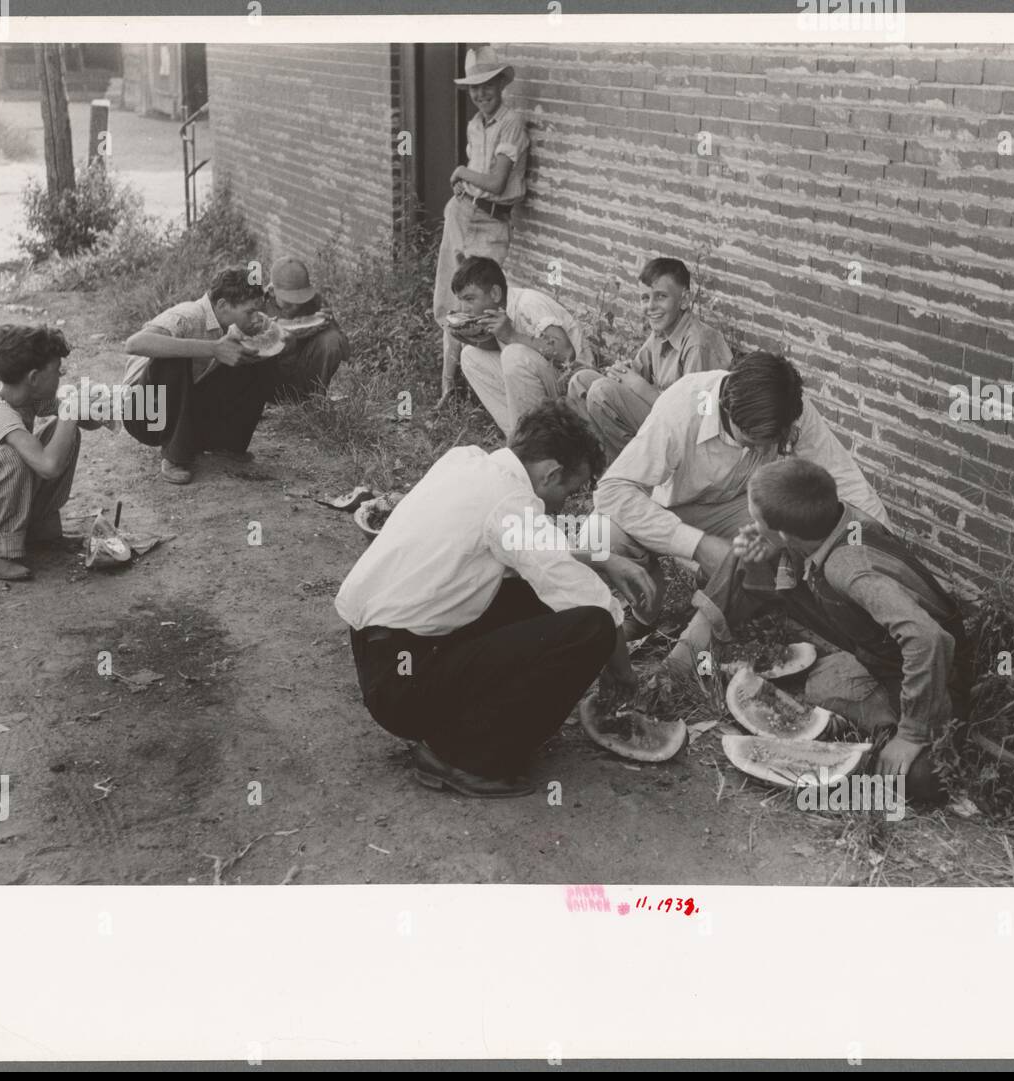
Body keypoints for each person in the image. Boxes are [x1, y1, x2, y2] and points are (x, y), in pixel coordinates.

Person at [335, 402, 651, 798]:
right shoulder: (510, 503)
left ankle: (466, 728)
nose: (562, 505)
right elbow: (592, 602)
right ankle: (462, 756)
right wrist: (623, 675)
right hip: (406, 687)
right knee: (594, 628)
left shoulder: (465, 462)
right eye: (568, 492)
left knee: (534, 594)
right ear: (551, 472)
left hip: (384, 661)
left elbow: (534, 548)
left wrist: (602, 557)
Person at [721, 458, 973, 803]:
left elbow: (928, 638)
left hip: (937, 670)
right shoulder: (841, 520)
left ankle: (910, 720)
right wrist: (776, 550)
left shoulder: (849, 571)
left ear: (785, 533)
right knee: (822, 686)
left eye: (757, 520)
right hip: (883, 653)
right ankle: (877, 709)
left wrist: (912, 734)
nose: (752, 526)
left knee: (921, 782)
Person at [592, 351, 889, 642]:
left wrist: (882, 547)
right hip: (666, 505)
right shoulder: (684, 407)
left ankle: (734, 600)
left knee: (796, 529)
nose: (762, 451)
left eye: (770, 444)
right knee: (601, 537)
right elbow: (612, 489)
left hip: (737, 506)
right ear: (727, 408)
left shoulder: (788, 406)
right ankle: (644, 614)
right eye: (750, 441)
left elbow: (844, 479)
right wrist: (697, 545)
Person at [0, 324, 82, 581]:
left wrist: (93, 408)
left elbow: (74, 416)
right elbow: (49, 466)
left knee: (67, 434)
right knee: (12, 456)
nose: (61, 376)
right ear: (34, 378)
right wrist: (71, 412)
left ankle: (40, 532)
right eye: (57, 371)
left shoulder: (23, 398)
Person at [433, 46, 530, 400]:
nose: (481, 93)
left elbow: (498, 183)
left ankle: (494, 385)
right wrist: (463, 184)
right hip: (462, 214)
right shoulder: (475, 125)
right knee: (452, 299)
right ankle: (448, 387)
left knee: (485, 304)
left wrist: (461, 171)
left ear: (501, 84)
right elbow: (478, 177)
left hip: (492, 222)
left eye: (487, 85)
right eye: (474, 87)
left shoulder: (511, 123)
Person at [121, 267, 277, 485]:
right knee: (175, 355)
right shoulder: (189, 315)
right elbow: (134, 344)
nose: (255, 318)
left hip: (182, 407)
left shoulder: (230, 324)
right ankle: (174, 457)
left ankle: (227, 444)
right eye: (249, 312)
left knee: (254, 358)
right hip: (143, 413)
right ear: (222, 305)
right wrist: (213, 349)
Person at [568, 257, 732, 459]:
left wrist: (636, 384)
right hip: (664, 416)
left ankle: (634, 467)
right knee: (581, 381)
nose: (651, 306)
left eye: (661, 297)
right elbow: (636, 371)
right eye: (645, 298)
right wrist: (621, 372)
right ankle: (602, 460)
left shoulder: (698, 344)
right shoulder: (662, 331)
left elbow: (696, 418)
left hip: (688, 439)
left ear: (684, 300)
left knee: (601, 391)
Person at [451, 256, 587, 437]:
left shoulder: (528, 303)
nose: (464, 309)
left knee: (514, 355)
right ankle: (519, 438)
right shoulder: (499, 310)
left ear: (495, 294)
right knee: (470, 356)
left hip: (575, 390)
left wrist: (511, 335)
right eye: (461, 300)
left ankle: (536, 440)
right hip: (545, 382)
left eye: (470, 299)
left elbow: (566, 352)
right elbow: (508, 349)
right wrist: (472, 339)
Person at [261, 256, 351, 401]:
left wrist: (330, 323)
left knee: (332, 339)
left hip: (305, 378)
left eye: (301, 301)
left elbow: (346, 353)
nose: (296, 307)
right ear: (272, 291)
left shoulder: (316, 301)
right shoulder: (258, 304)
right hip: (269, 383)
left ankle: (314, 400)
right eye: (288, 303)